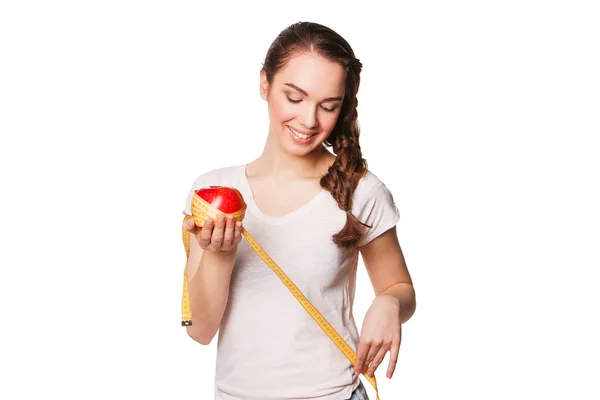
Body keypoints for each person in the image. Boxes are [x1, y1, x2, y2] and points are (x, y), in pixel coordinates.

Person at [181, 21, 416, 400]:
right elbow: (200, 330)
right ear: (264, 84)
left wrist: (389, 302)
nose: (309, 121)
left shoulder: (360, 190)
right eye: (295, 98)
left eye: (328, 107)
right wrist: (219, 254)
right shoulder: (209, 194)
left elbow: (399, 287)